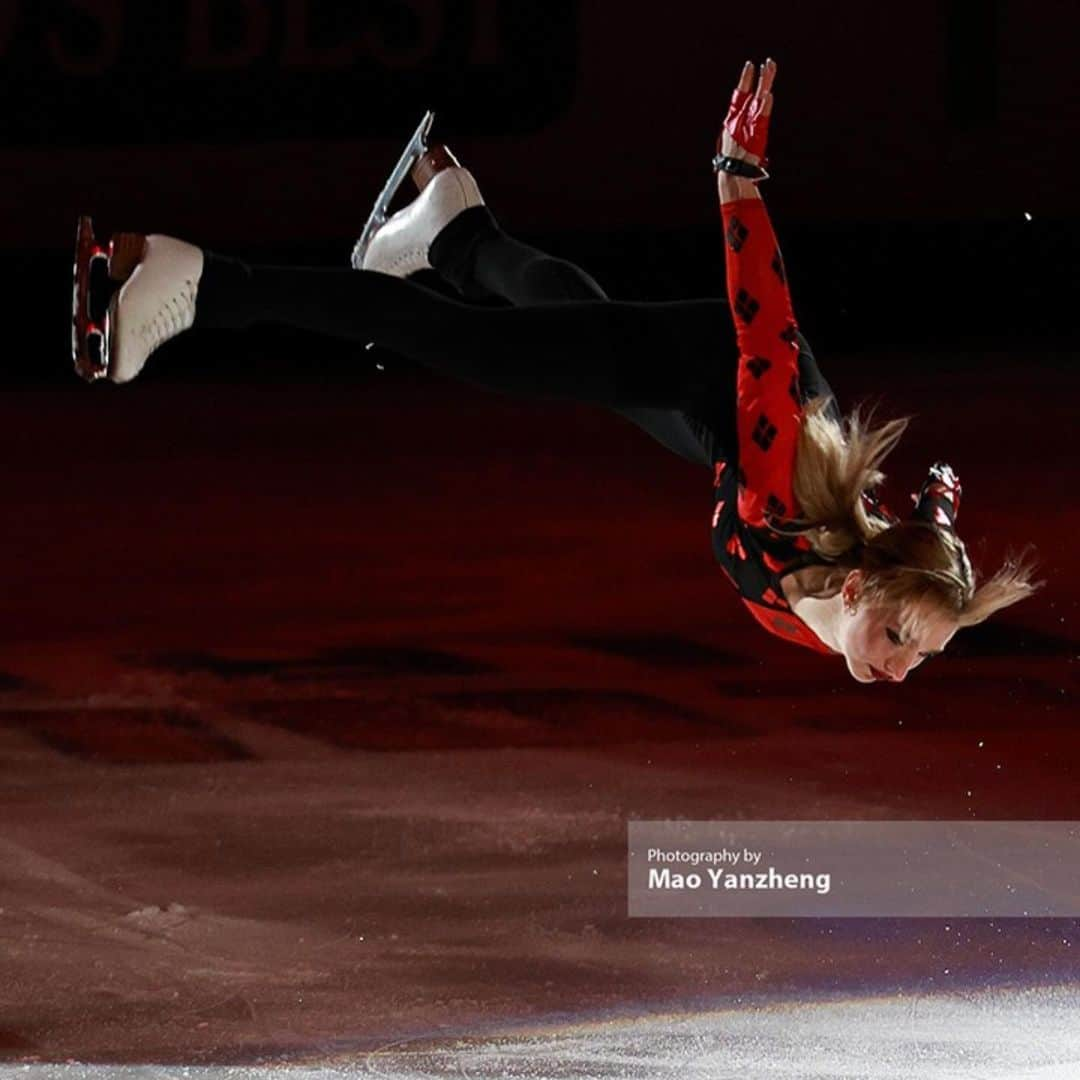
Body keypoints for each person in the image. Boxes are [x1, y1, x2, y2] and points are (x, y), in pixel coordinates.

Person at [71, 59, 1039, 684]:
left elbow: (928, 533)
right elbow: (766, 330)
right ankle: (189, 278)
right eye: (907, 643)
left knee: (568, 327)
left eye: (924, 654)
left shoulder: (859, 596)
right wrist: (737, 180)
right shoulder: (785, 492)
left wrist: (941, 509)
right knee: (458, 344)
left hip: (718, 424)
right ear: (865, 592)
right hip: (737, 375)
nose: (904, 670)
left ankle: (455, 226)